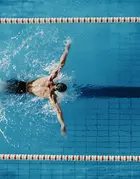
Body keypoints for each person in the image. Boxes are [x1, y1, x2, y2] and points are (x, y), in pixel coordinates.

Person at [6, 40, 71, 136]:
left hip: (21, 84)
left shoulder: (51, 78)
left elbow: (61, 64)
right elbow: (58, 111)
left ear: (58, 82)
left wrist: (66, 49)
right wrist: (62, 124)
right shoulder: (51, 96)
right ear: (58, 91)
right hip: (22, 91)